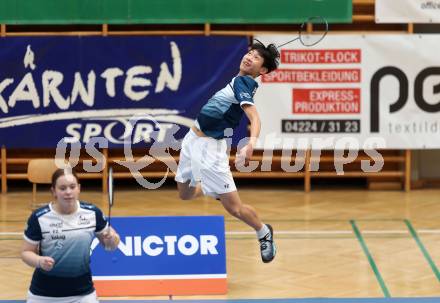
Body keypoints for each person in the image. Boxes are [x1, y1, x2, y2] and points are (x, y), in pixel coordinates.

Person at [175, 40, 280, 263]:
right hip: (192, 140)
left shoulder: (243, 83)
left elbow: (254, 117)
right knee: (184, 194)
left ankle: (263, 231)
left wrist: (251, 143)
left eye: (256, 57)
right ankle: (210, 190)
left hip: (211, 151)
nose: (249, 57)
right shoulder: (239, 80)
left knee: (235, 209)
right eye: (250, 52)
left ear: (262, 70)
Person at [21, 168, 120, 303]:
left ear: (78, 188)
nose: (68, 192)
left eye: (72, 187)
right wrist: (39, 261)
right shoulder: (39, 217)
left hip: (82, 294)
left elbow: (110, 246)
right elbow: (26, 252)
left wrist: (112, 239)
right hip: (43, 294)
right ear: (53, 191)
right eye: (62, 188)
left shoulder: (92, 213)